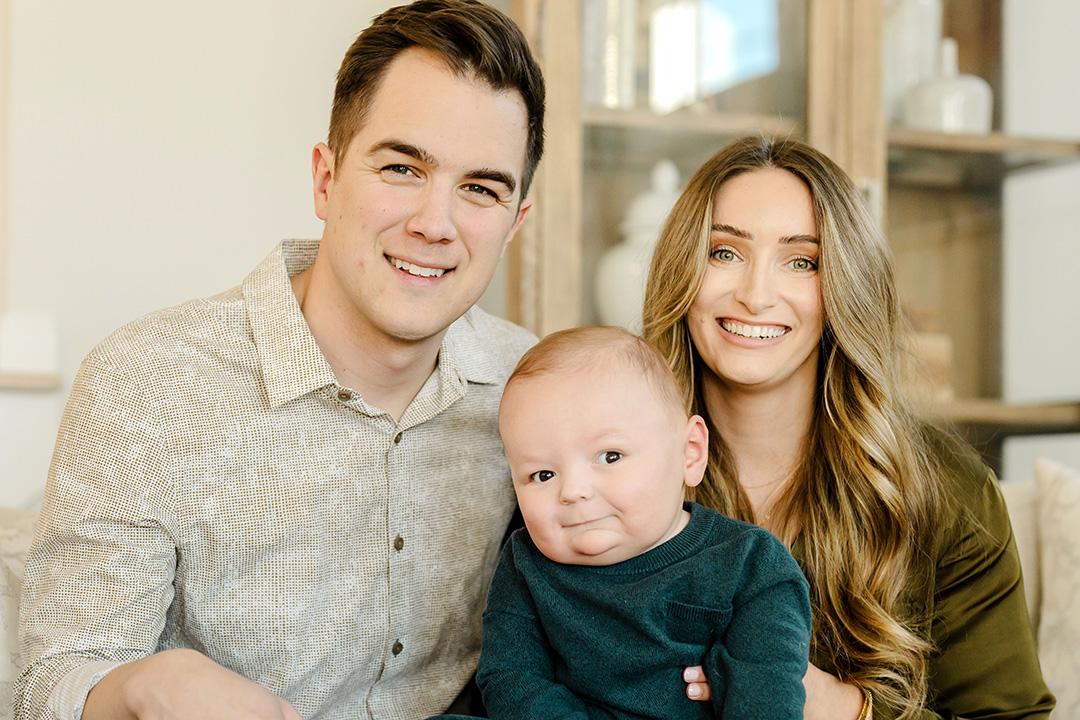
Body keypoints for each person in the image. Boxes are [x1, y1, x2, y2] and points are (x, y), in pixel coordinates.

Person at [15, 2, 545, 719]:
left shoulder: (539, 391)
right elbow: (50, 684)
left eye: (481, 188)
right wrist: (142, 688)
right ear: (326, 180)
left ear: (516, 222)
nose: (435, 223)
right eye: (401, 167)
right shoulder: (145, 382)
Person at [642, 136, 1055, 720]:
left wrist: (842, 707)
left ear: (843, 288)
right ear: (683, 270)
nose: (755, 295)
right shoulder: (605, 459)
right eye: (724, 253)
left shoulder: (947, 490)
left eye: (802, 261)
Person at [438, 325, 811, 720]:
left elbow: (768, 694)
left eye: (610, 456)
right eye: (543, 475)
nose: (573, 491)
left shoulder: (749, 565)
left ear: (689, 453)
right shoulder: (526, 564)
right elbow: (511, 678)